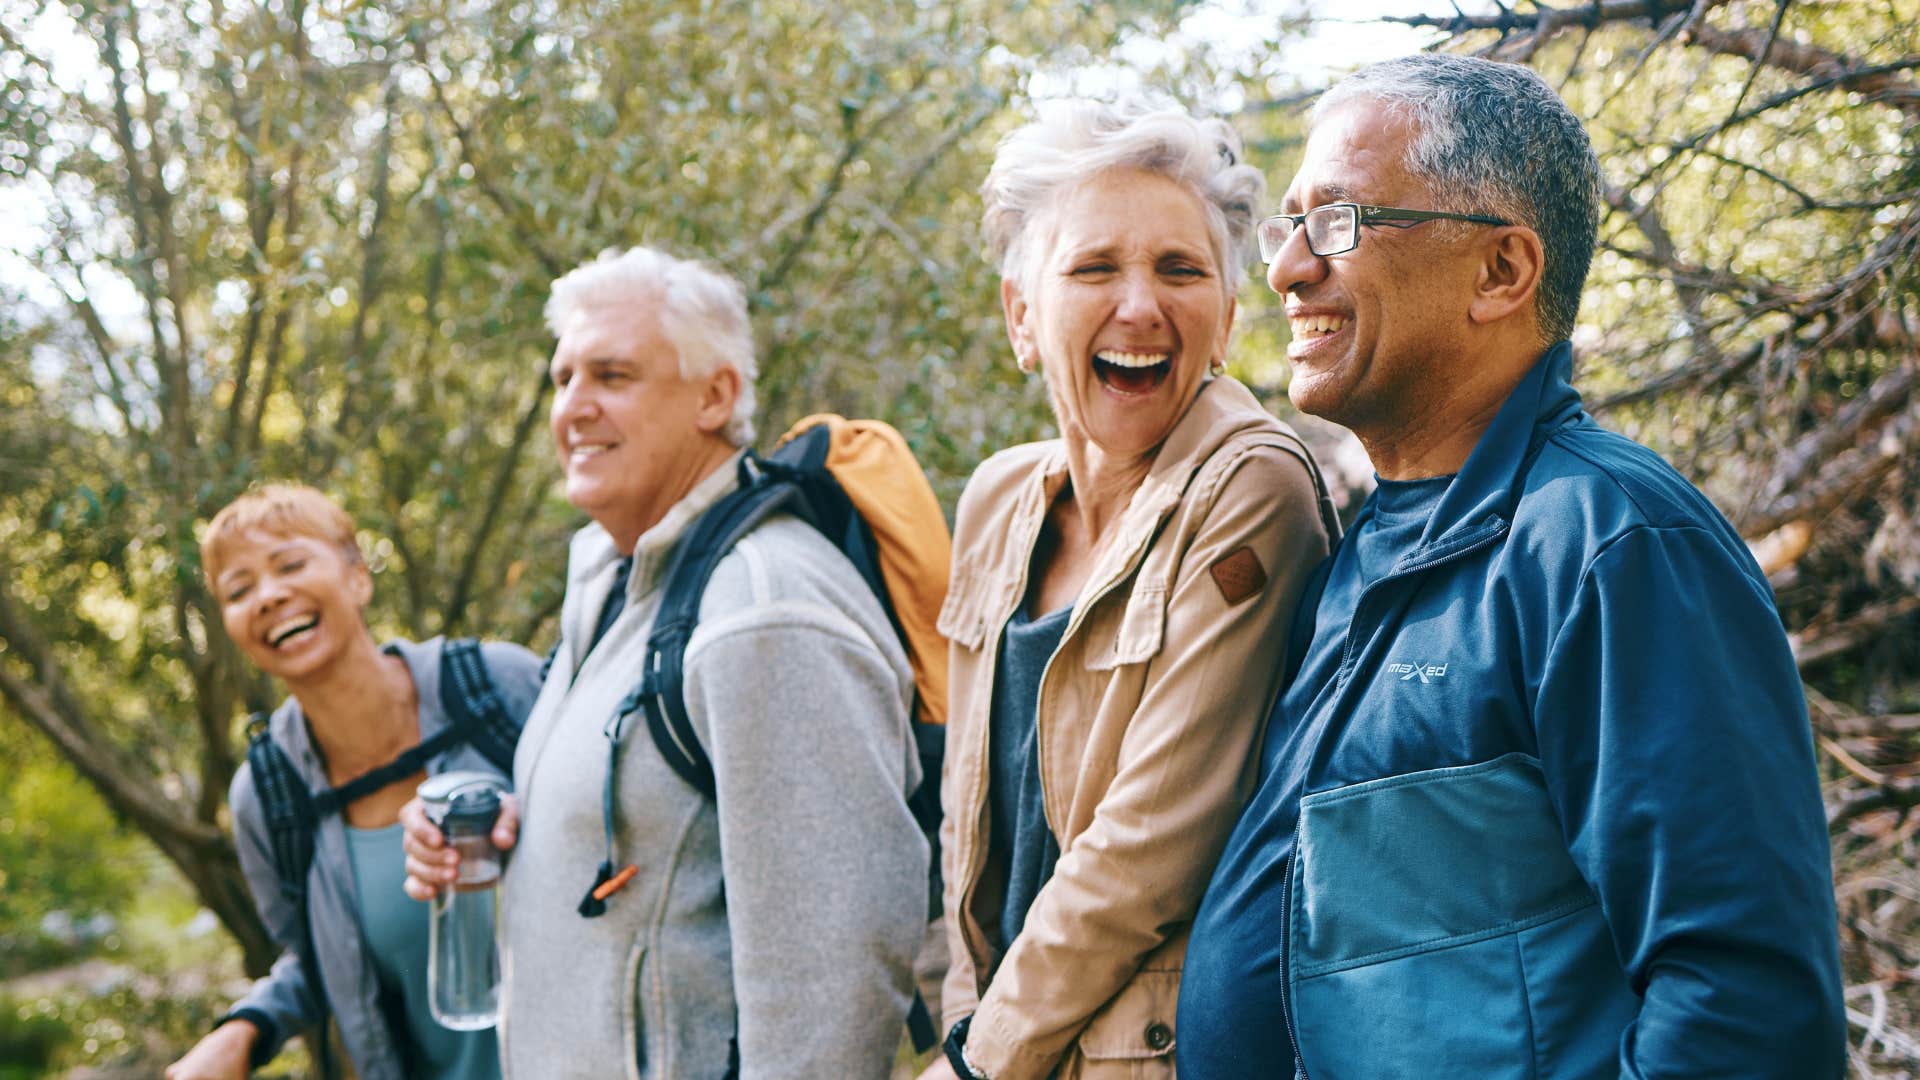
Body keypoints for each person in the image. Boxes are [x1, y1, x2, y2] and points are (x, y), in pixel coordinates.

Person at [1179, 53, 1847, 1078]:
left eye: (1342, 223)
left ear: (1502, 272)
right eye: (1290, 225)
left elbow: (1746, 1006)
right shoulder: (1366, 546)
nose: (1287, 270)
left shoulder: (1611, 543)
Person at [401, 247, 928, 1079]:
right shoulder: (619, 583)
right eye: (561, 378)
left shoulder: (763, 609)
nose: (573, 407)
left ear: (715, 396)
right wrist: (510, 824)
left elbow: (836, 976)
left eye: (611, 375)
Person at [921, 101, 1336, 1080]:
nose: (1141, 307)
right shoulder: (994, 503)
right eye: (1095, 268)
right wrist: (963, 1026)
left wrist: (978, 1063)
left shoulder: (1251, 488)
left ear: (1230, 317)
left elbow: (1147, 852)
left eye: (1181, 271)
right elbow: (966, 830)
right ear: (1022, 316)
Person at [166, 484, 543, 1080]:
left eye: (290, 565)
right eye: (239, 590)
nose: (268, 596)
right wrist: (246, 1029)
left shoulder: (496, 686)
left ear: (358, 578)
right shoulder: (269, 795)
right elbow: (319, 959)